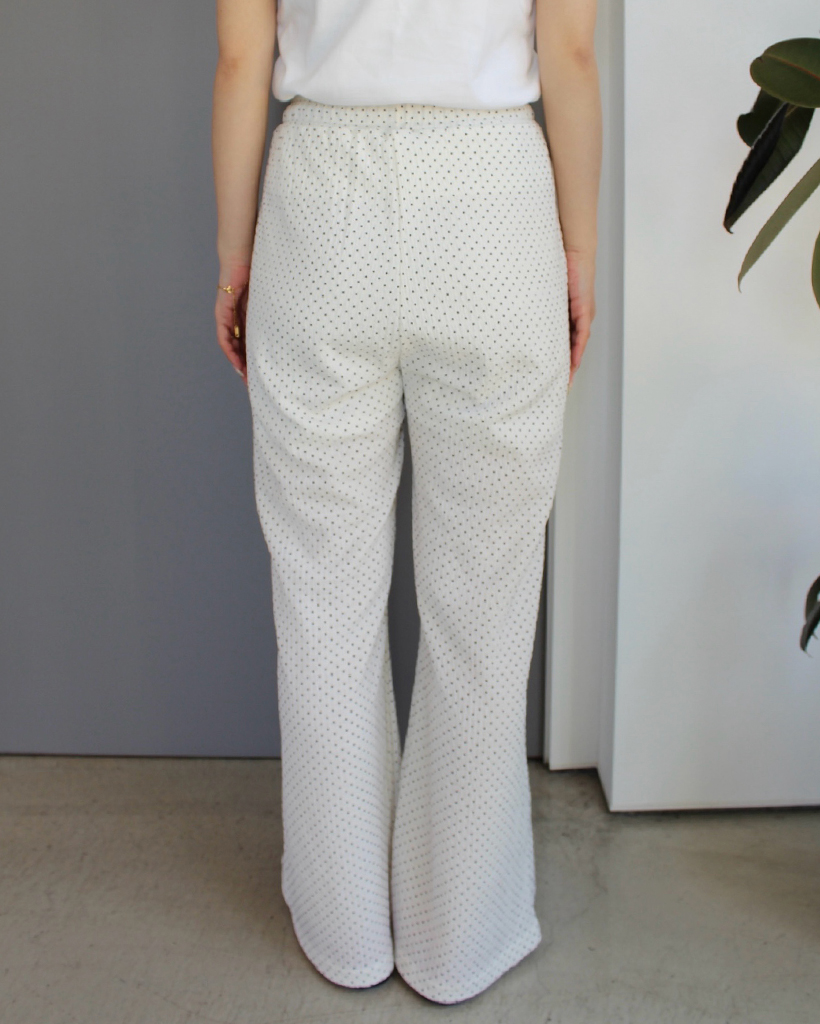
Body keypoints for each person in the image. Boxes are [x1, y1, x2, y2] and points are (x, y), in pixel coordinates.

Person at [211, 0, 601, 1005]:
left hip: (319, 203)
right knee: (484, 604)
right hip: (492, 201)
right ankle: (457, 935)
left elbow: (242, 57)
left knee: (322, 596)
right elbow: (567, 50)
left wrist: (235, 257)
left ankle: (343, 924)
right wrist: (580, 252)